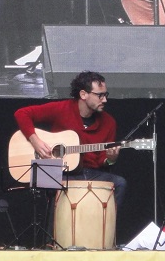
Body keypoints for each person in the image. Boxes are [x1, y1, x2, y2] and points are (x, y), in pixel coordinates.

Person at [13, 70, 126, 208]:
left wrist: (110, 159)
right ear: (83, 94)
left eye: (105, 95)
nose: (105, 100)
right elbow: (22, 114)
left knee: (120, 183)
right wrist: (35, 141)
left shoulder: (109, 122)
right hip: (57, 170)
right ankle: (54, 228)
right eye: (100, 95)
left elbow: (103, 161)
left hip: (91, 172)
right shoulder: (62, 109)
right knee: (50, 183)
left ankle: (106, 228)